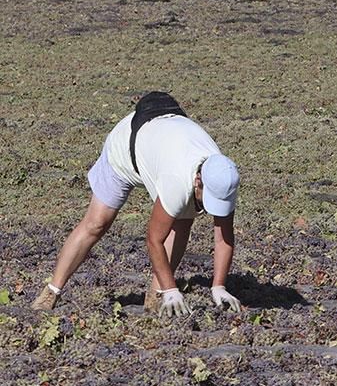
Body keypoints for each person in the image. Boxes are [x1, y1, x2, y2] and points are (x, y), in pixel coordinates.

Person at [32, 93, 241, 317]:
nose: (207, 206)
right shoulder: (177, 181)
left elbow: (223, 238)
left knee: (182, 222)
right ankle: (52, 291)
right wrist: (173, 288)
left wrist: (219, 286)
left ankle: (155, 297)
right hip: (125, 148)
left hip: (160, 147)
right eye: (205, 197)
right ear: (198, 180)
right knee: (97, 223)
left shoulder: (223, 176)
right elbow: (154, 239)